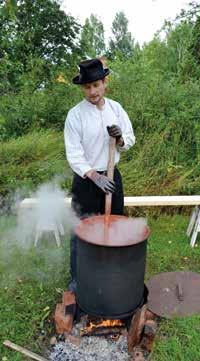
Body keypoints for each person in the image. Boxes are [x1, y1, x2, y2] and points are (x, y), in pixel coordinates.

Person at [64, 58, 135, 292]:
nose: (92, 91)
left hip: (113, 177)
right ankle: (78, 278)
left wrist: (121, 138)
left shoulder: (117, 109)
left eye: (96, 85)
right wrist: (94, 176)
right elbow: (74, 154)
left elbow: (130, 141)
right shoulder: (75, 116)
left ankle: (111, 272)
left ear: (105, 82)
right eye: (87, 87)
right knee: (81, 229)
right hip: (86, 181)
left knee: (114, 227)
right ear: (82, 88)